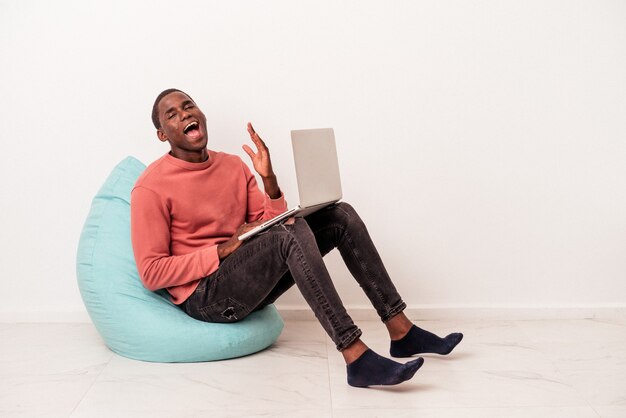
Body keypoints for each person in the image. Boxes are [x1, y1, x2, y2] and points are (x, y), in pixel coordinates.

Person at [131, 88, 463, 388]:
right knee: (286, 235)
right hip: (205, 296)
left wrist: (269, 180)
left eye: (189, 106)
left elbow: (270, 222)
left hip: (243, 276)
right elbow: (152, 273)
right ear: (162, 134)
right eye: (172, 114)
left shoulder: (232, 166)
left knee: (340, 215)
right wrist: (220, 250)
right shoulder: (151, 187)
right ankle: (355, 353)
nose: (185, 113)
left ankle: (401, 329)